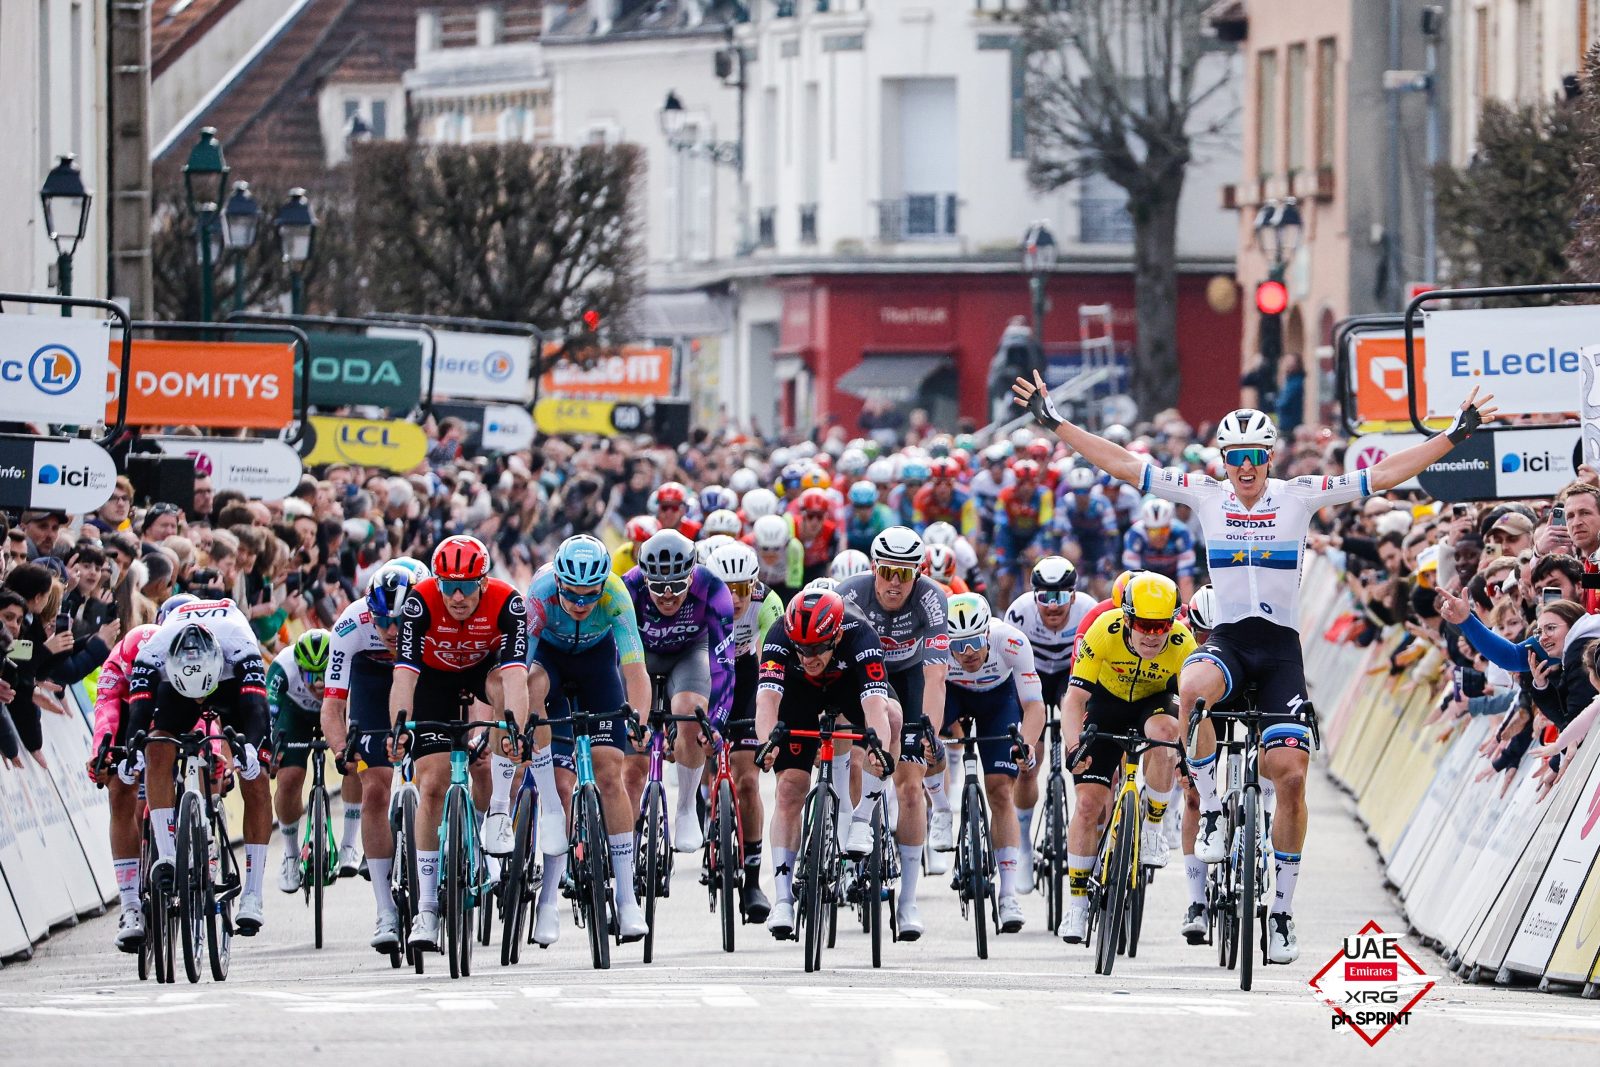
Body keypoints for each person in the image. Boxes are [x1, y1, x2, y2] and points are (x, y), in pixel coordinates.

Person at [1013, 370, 1499, 963]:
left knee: (1289, 775)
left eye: (1255, 457)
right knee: (1190, 684)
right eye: (1235, 456)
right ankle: (1214, 813)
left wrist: (1455, 435)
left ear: (1269, 458)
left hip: (1280, 652)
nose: (1245, 467)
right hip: (1229, 642)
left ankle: (1284, 913)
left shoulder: (1299, 495)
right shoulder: (1204, 493)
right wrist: (1054, 422)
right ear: (1224, 459)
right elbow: (1121, 462)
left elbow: (1386, 474)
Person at [387, 535, 530, 953]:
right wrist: (399, 726)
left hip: (483, 671)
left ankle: (499, 809)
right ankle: (427, 909)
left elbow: (517, 676)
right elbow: (404, 677)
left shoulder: (508, 602)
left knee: (504, 698)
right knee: (431, 783)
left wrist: (515, 731)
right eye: (448, 584)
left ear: (484, 583)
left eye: (467, 585)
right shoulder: (421, 601)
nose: (457, 595)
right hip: (433, 678)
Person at [524, 534, 652, 945]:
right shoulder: (540, 594)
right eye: (572, 595)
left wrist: (639, 720)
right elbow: (521, 665)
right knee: (560, 786)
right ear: (558, 583)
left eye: (589, 596)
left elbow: (635, 669)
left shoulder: (615, 594)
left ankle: (627, 898)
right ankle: (547, 904)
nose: (581, 604)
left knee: (611, 775)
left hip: (598, 666)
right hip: (550, 663)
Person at [753, 589, 900, 938]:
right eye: (801, 648)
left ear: (835, 635)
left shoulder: (861, 635)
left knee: (892, 720)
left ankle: (863, 818)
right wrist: (767, 744)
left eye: (817, 648)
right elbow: (767, 701)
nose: (808, 656)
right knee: (789, 790)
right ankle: (784, 900)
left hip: (849, 686)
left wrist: (877, 749)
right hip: (799, 695)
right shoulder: (778, 636)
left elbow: (876, 708)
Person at [1057, 573, 1193, 944]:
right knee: (1087, 805)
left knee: (1166, 737)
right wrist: (1073, 748)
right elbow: (1074, 700)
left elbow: (1191, 713)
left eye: (1161, 626)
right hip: (1107, 702)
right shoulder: (1103, 628)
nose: (1152, 635)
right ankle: (1078, 905)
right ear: (1128, 619)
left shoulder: (1183, 642)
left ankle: (1152, 827)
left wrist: (1188, 757)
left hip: (1154, 703)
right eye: (1144, 626)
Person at [125, 598, 273, 934]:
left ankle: (253, 893)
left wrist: (249, 752)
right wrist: (134, 751)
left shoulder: (241, 643)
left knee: (258, 777)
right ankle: (166, 854)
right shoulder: (153, 652)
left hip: (229, 682)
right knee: (157, 746)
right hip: (175, 688)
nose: (200, 703)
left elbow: (257, 711)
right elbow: (138, 715)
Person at [836, 525, 949, 939]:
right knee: (863, 748)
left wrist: (929, 729)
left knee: (910, 787)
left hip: (910, 675)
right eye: (887, 572)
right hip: (864, 674)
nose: (894, 583)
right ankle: (860, 822)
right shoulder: (850, 593)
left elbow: (937, 676)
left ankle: (908, 902)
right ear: (873, 568)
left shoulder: (933, 599)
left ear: (917, 575)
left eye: (904, 574)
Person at [319, 560, 426, 953]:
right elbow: (332, 707)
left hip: (423, 673)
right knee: (375, 790)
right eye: (383, 621)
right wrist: (340, 751)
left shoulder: (432, 610)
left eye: (399, 620)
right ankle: (384, 910)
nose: (392, 630)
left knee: (438, 772)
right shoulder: (351, 624)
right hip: (371, 678)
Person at [621, 529, 736, 852]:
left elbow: (723, 664)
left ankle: (686, 807)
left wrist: (715, 722)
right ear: (645, 579)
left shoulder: (713, 588)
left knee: (690, 712)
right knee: (632, 768)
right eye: (657, 588)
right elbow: (612, 660)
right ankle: (623, 846)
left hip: (690, 655)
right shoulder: (628, 588)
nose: (667, 596)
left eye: (676, 587)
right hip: (639, 659)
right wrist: (630, 719)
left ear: (692, 576)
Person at [941, 593, 1045, 933]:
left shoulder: (1012, 641)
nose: (967, 653)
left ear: (987, 634)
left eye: (973, 642)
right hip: (951, 694)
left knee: (1001, 791)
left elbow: (1034, 706)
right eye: (959, 645)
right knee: (921, 742)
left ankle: (1008, 894)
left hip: (998, 701)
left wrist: (1026, 746)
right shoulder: (937, 645)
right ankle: (941, 808)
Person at [1002, 555, 1098, 890]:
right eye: (1045, 597)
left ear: (1074, 596)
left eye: (1061, 597)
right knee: (1029, 760)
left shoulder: (1089, 609)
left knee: (1086, 751)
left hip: (1071, 677)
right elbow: (1008, 665)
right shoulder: (1019, 613)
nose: (1053, 607)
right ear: (1033, 597)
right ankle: (1024, 842)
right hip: (1033, 675)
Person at [706, 540, 782, 921]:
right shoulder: (698, 595)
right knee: (701, 746)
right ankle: (708, 803)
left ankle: (752, 879)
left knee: (748, 780)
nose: (734, 599)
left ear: (753, 584)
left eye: (742, 589)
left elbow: (774, 661)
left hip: (748, 675)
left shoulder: (767, 602)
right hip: (706, 673)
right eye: (726, 588)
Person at [268, 630, 338, 893]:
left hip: (335, 708)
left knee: (357, 762)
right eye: (310, 675)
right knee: (289, 778)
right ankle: (290, 854)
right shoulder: (282, 667)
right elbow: (269, 715)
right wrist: (271, 751)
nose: (318, 684)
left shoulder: (347, 658)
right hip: (294, 713)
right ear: (299, 668)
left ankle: (350, 845)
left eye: (325, 674)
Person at [1122, 499, 1197, 600]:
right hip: (1145, 577)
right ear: (1146, 528)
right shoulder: (1135, 535)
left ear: (1170, 526)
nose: (1159, 536)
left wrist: (1187, 613)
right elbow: (1131, 580)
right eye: (1153, 531)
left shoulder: (1182, 534)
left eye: (1164, 530)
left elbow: (1185, 580)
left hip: (1173, 577)